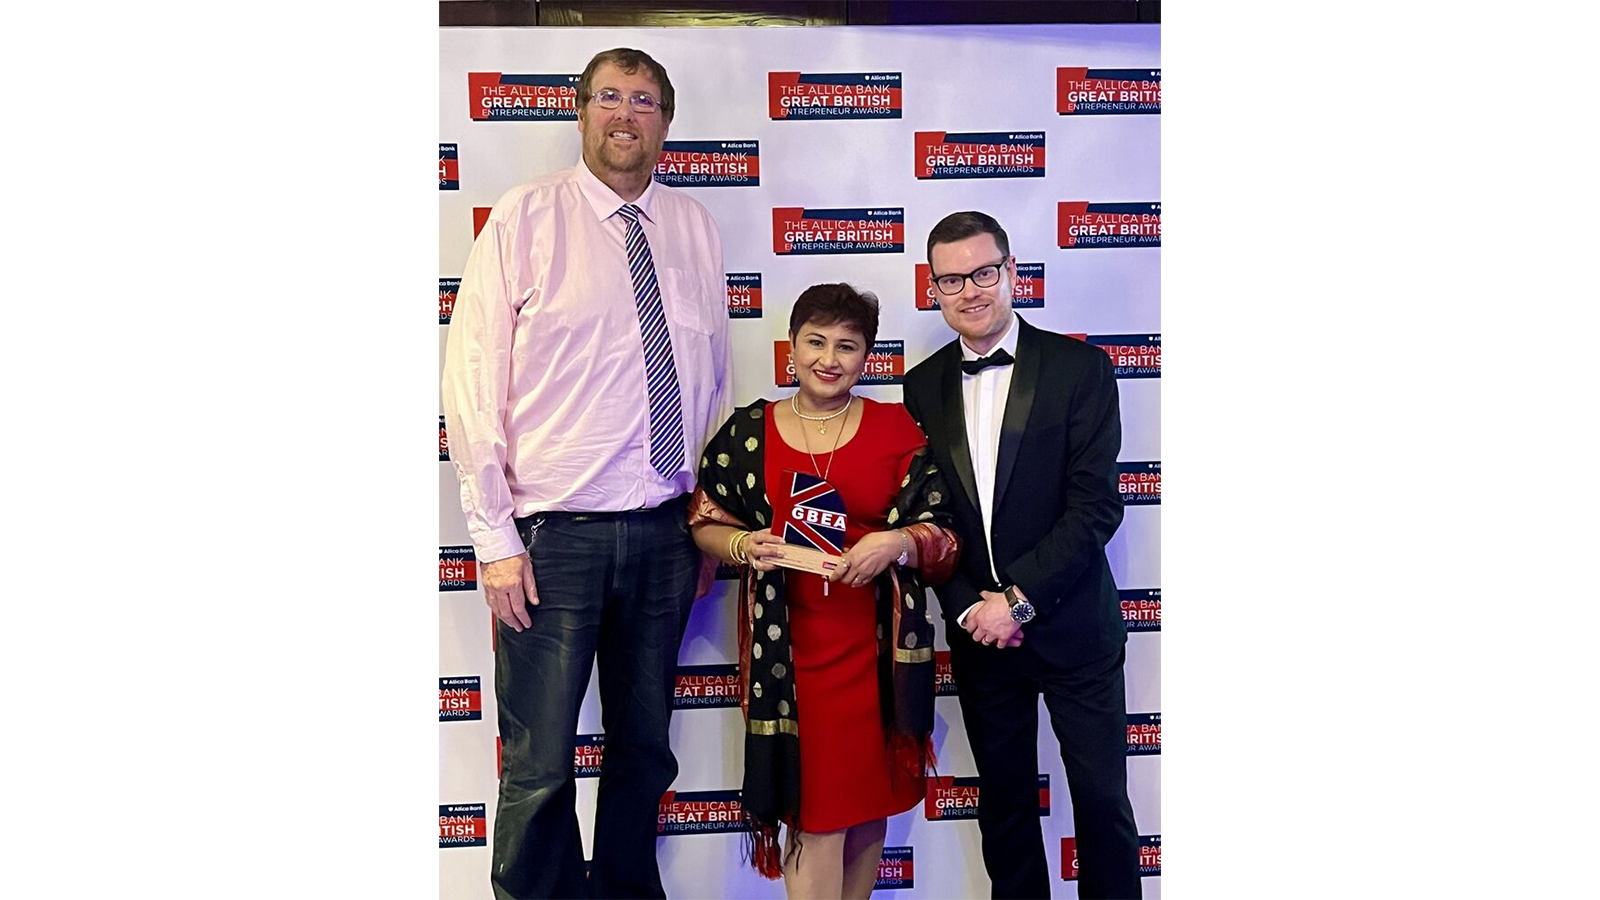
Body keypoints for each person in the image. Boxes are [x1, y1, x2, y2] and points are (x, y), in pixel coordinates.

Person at [440, 47, 731, 900]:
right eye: (609, 96)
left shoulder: (693, 228)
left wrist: (706, 519)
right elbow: (473, 380)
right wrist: (494, 538)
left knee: (645, 748)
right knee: (539, 764)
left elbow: (710, 381)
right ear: (581, 112)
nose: (625, 114)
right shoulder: (527, 219)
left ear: (665, 123)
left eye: (643, 100)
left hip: (667, 534)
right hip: (552, 539)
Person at [689, 284, 960, 900]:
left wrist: (895, 544)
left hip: (876, 657)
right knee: (818, 816)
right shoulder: (749, 432)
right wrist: (740, 547)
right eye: (815, 341)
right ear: (792, 347)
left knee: (867, 811)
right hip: (791, 664)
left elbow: (943, 531)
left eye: (847, 345)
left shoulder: (895, 428)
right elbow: (704, 517)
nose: (828, 359)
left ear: (867, 357)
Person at [902, 211, 1140, 900]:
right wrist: (971, 610)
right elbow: (929, 519)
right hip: (982, 640)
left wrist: (1018, 600)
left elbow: (1095, 507)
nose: (970, 290)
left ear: (1011, 273)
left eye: (983, 272)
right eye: (952, 279)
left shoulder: (1081, 369)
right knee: (1005, 811)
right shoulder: (922, 388)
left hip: (1074, 633)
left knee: (1102, 806)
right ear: (935, 289)